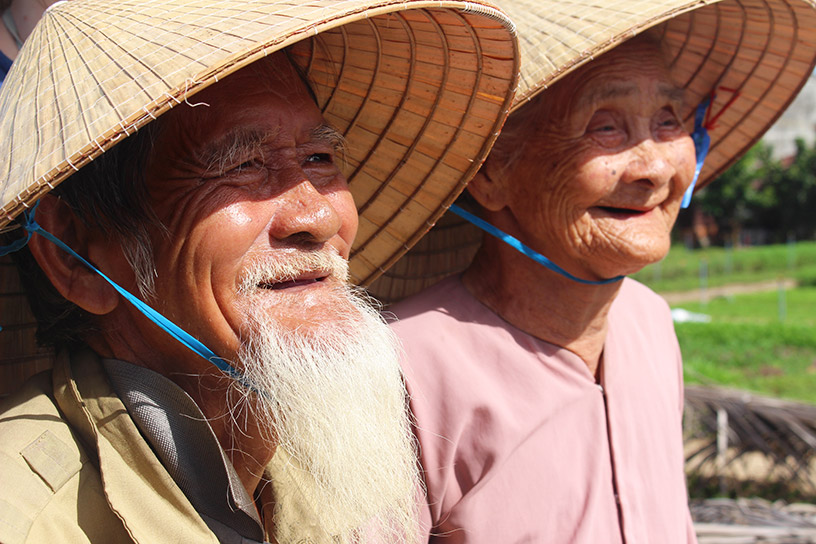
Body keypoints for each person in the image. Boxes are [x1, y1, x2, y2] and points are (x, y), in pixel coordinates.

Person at [0, 1, 519, 543]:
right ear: (72, 253)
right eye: (240, 166)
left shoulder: (322, 456)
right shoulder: (28, 521)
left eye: (319, 157)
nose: (318, 217)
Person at [378, 0, 816, 542]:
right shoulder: (398, 374)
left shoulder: (648, 321)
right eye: (605, 126)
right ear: (491, 172)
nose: (655, 170)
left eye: (669, 121)